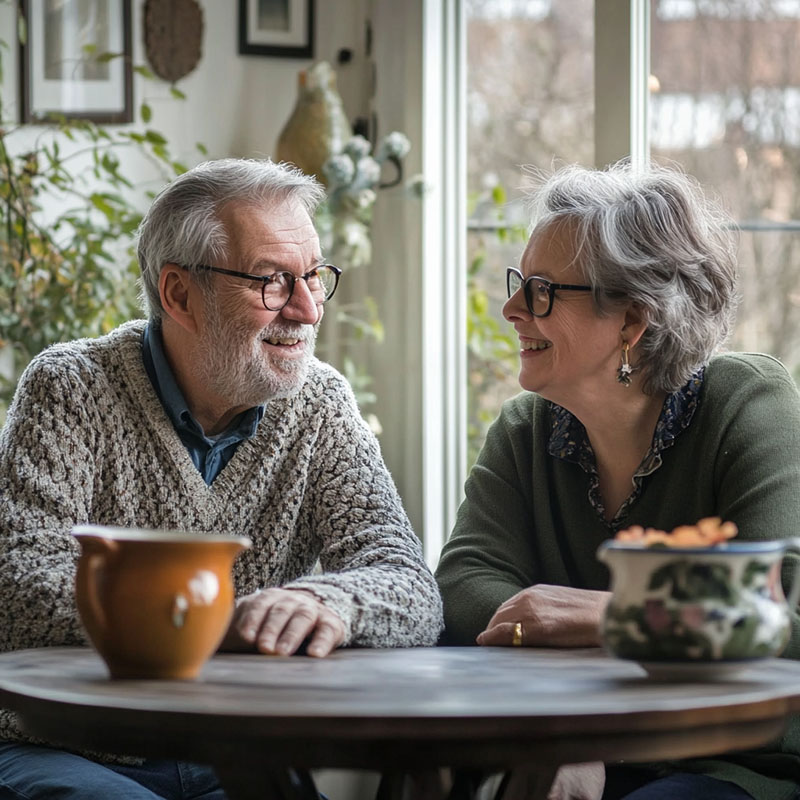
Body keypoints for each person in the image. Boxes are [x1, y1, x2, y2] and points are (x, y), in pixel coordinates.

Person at [0, 157, 443, 799]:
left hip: (238, 755)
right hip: (68, 747)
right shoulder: (70, 387)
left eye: (314, 277)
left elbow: (407, 581)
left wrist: (328, 601)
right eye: (273, 281)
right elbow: (17, 592)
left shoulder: (319, 403)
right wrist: (224, 623)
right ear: (179, 295)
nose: (308, 309)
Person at [435, 161, 800, 800]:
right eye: (520, 282)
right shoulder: (525, 430)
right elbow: (464, 586)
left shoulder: (749, 405)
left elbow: (782, 616)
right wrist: (577, 729)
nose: (511, 308)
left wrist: (614, 618)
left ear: (631, 322)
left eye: (542, 291)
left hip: (737, 761)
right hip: (577, 740)